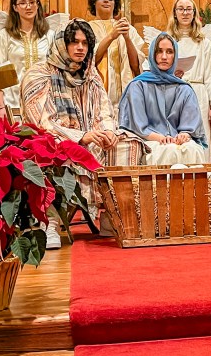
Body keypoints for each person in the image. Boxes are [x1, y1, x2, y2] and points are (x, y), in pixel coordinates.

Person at [20, 20, 145, 230]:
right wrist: (80, 136)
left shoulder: (90, 73)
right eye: (74, 42)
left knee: (129, 144)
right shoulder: (39, 74)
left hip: (89, 137)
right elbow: (42, 123)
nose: (80, 48)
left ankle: (112, 216)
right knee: (51, 148)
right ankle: (50, 221)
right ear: (63, 44)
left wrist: (108, 132)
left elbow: (104, 109)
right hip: (55, 138)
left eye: (85, 43)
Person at [119, 32, 207, 167]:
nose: (164, 57)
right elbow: (137, 125)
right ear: (152, 55)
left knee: (193, 150)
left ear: (175, 56)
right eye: (159, 51)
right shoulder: (138, 86)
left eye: (169, 52)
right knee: (168, 151)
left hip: (177, 141)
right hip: (149, 140)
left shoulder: (184, 89)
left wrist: (184, 134)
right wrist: (162, 138)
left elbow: (190, 123)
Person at [146, 0, 211, 150]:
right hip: (173, 91)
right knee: (175, 137)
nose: (185, 13)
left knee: (199, 138)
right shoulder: (167, 41)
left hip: (198, 94)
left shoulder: (203, 42)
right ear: (175, 13)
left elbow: (210, 75)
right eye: (180, 9)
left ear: (194, 13)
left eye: (188, 9)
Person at [0, 0, 64, 123]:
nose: (28, 7)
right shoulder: (5, 36)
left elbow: (56, 71)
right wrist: (0, 106)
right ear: (15, 7)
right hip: (13, 102)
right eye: (22, 3)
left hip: (44, 103)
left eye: (32, 2)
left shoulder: (49, 36)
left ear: (38, 5)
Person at [87, 0, 144, 112]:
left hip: (124, 97)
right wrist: (111, 36)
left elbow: (136, 66)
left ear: (115, 3)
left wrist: (127, 38)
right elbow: (89, 60)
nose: (106, 0)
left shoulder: (127, 29)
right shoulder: (87, 28)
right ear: (94, 2)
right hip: (97, 96)